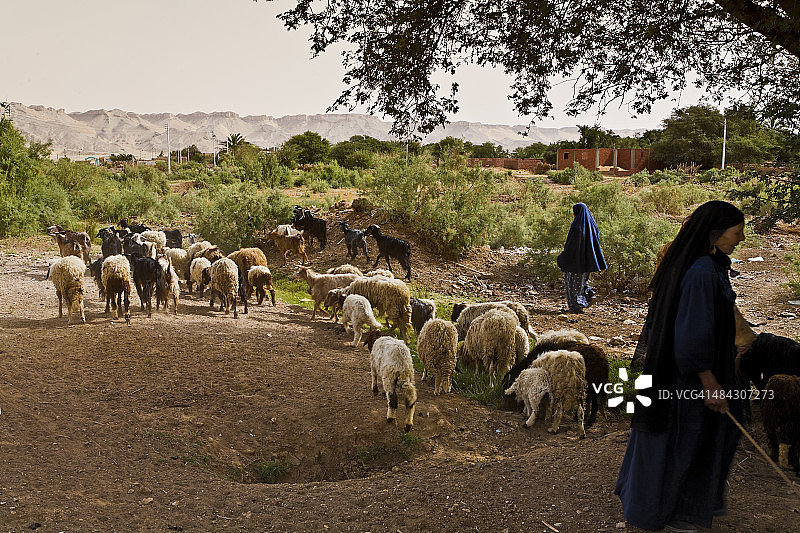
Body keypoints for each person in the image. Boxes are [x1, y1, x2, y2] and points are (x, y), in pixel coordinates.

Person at [615, 200, 746, 533]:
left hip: (696, 377)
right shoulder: (701, 273)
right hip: (689, 381)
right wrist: (710, 382)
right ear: (714, 234)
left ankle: (674, 507)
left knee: (690, 441)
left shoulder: (711, 264)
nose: (741, 239)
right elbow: (691, 335)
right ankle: (671, 513)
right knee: (683, 443)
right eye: (736, 232)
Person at [556, 203, 607, 313]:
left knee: (572, 285)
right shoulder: (592, 226)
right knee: (581, 284)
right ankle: (585, 300)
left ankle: (575, 307)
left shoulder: (577, 227)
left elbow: (572, 246)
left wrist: (562, 258)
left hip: (574, 263)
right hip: (587, 263)